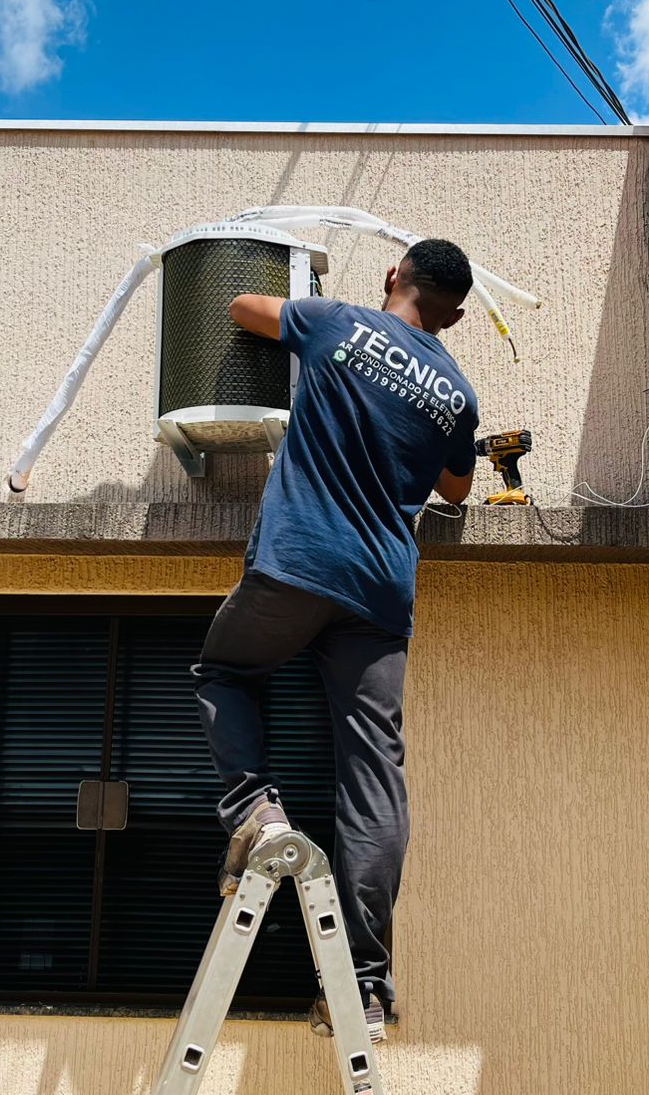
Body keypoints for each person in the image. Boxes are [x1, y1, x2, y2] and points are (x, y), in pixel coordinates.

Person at [193, 237, 479, 1039]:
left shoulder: (336, 325)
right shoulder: (457, 392)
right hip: (380, 592)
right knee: (372, 770)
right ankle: (367, 984)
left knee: (223, 669)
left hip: (299, 563)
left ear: (395, 276)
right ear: (453, 317)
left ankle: (256, 812)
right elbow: (455, 486)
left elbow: (242, 309)